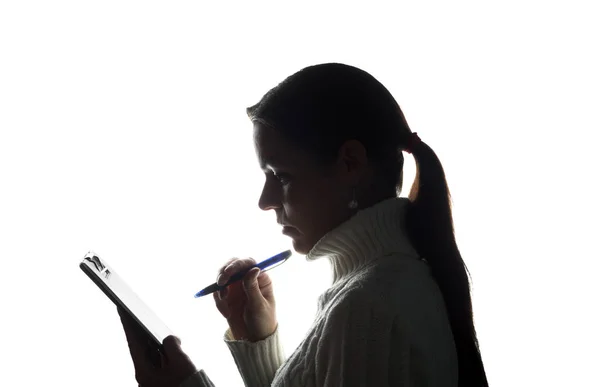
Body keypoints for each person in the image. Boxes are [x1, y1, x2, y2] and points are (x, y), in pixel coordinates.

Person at [117, 63, 489, 386]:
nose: (265, 201)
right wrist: (256, 338)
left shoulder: (370, 307)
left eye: (280, 176)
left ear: (350, 164)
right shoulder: (371, 292)